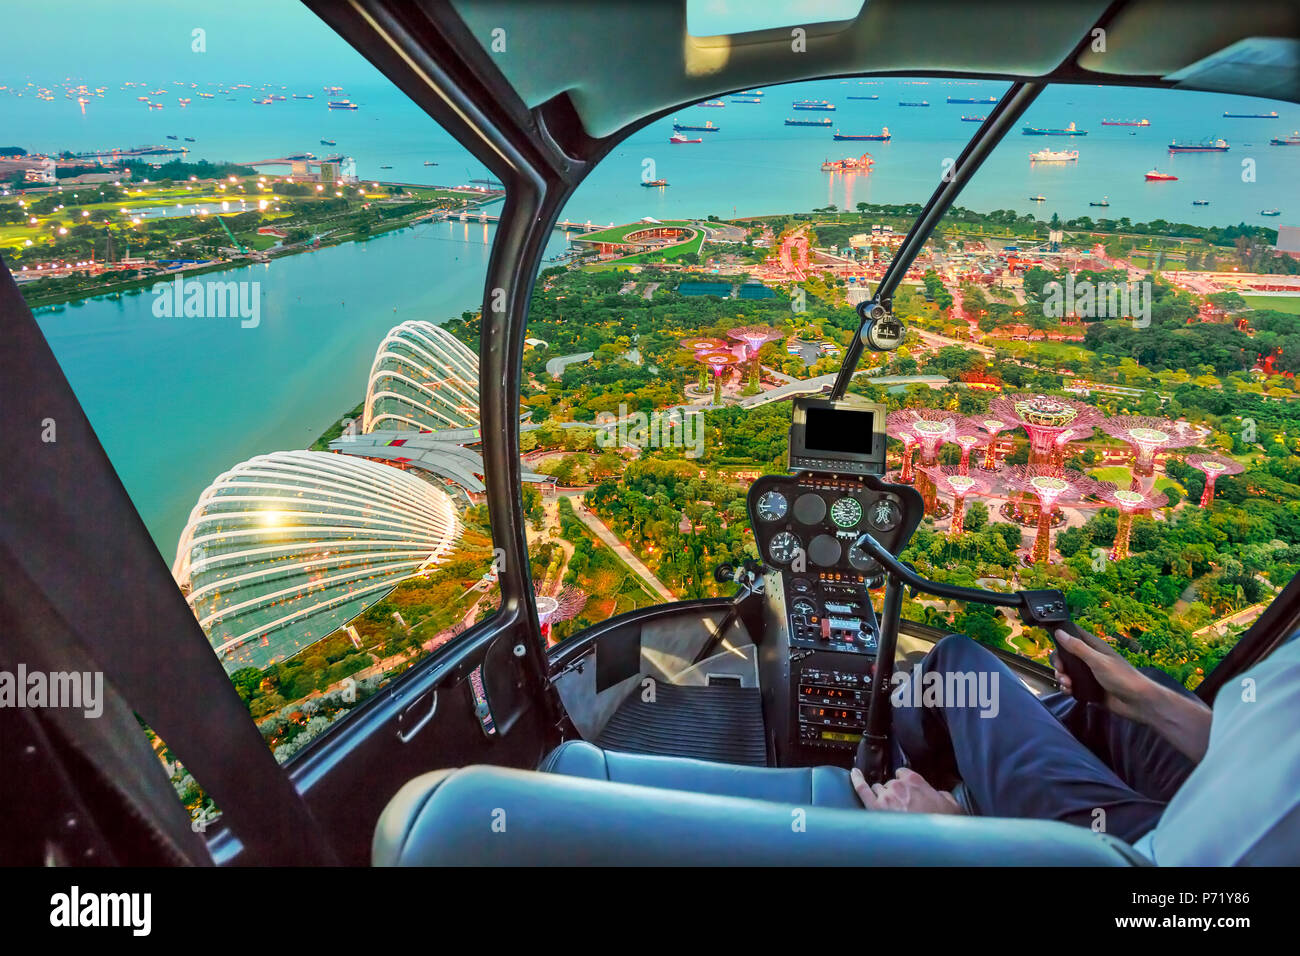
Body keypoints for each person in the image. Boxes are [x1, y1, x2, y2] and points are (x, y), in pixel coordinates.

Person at [849, 627, 1300, 864]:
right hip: (1224, 789)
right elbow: (1263, 747)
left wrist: (955, 838)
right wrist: (1144, 699)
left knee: (960, 668)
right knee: (1105, 705)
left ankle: (922, 777)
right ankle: (992, 777)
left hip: (1149, 856)